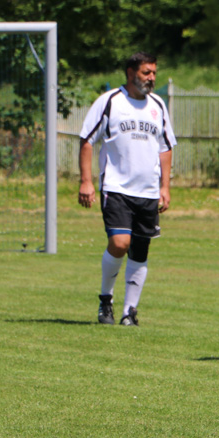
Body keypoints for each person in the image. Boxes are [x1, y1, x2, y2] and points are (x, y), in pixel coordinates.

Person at [78, 52, 177, 327]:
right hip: (116, 187)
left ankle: (129, 312)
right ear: (130, 72)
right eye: (146, 72)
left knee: (140, 251)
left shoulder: (158, 105)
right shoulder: (110, 102)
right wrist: (86, 181)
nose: (152, 78)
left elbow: (166, 147)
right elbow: (87, 140)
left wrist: (165, 187)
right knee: (120, 243)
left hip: (147, 192)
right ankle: (105, 299)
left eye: (154, 72)